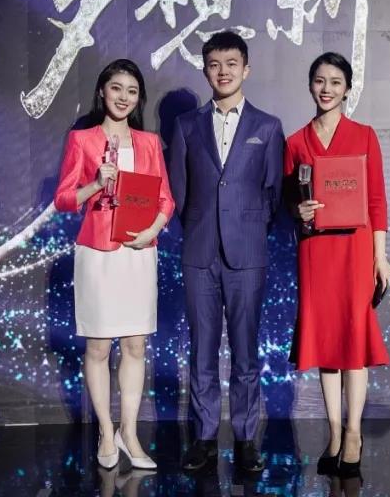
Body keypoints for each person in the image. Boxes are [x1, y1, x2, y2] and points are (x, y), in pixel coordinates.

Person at [168, 31, 284, 473]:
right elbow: (179, 193)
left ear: (246, 69)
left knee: (245, 352)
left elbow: (273, 194)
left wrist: (246, 230)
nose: (223, 72)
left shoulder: (267, 126)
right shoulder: (186, 126)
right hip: (199, 254)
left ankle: (246, 439)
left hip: (247, 256)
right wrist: (202, 229)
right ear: (205, 70)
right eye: (214, 64)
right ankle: (203, 438)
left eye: (231, 63)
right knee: (201, 351)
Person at [54, 58, 174, 471]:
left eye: (132, 91)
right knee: (99, 346)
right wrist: (95, 184)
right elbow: (63, 199)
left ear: (139, 98)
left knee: (136, 345)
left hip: (138, 250)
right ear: (103, 91)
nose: (124, 97)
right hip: (98, 253)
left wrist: (152, 230)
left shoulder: (149, 143)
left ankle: (130, 433)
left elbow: (166, 199)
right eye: (117, 88)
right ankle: (106, 432)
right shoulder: (82, 140)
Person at [284, 52, 390, 479]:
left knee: (353, 343)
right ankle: (333, 433)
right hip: (316, 251)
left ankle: (353, 434)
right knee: (327, 344)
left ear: (347, 88)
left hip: (356, 251)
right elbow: (288, 201)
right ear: (310, 85)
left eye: (334, 81)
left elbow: (377, 200)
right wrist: (298, 211)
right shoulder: (296, 141)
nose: (326, 89)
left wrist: (380, 256)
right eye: (319, 80)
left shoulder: (364, 135)